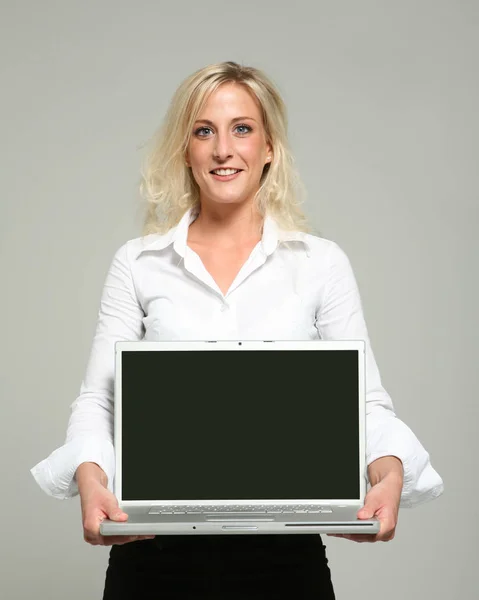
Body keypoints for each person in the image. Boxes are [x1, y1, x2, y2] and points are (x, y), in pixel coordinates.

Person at [31, 61, 444, 599]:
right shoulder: (138, 263)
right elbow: (99, 400)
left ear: (269, 147)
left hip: (284, 556)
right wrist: (91, 483)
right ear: (187, 149)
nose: (223, 149)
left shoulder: (320, 263)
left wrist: (387, 476)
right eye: (204, 131)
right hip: (154, 554)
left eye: (242, 129)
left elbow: (363, 402)